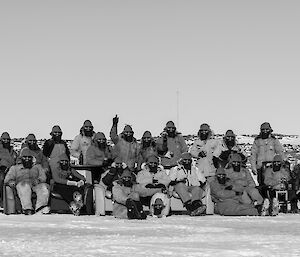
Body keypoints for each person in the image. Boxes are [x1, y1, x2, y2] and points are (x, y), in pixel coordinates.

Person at [4, 148, 50, 215]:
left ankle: (40, 208)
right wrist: (11, 182)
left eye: (29, 157)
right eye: (25, 157)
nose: (27, 159)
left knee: (44, 187)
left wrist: (39, 180)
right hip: (22, 184)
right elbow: (7, 179)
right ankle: (27, 209)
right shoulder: (14, 168)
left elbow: (43, 177)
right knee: (24, 186)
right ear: (21, 158)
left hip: (35, 185)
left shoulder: (38, 167)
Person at [250, 122, 285, 187]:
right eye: (263, 129)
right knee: (262, 184)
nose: (265, 131)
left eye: (266, 129)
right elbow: (253, 155)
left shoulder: (274, 140)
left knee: (272, 183)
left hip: (271, 166)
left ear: (270, 130)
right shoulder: (257, 141)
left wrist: (283, 162)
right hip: (260, 166)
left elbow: (280, 152)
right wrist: (253, 167)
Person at [0, 132, 17, 206]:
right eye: (4, 139)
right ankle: (2, 200)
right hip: (2, 170)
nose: (6, 141)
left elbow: (16, 160)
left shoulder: (12, 150)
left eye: (7, 139)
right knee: (1, 179)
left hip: (12, 170)